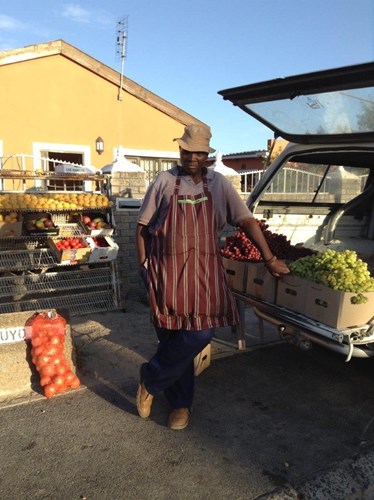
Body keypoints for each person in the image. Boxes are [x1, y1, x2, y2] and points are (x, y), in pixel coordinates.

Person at [135, 124, 290, 430]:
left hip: (203, 272)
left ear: (207, 154)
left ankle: (150, 379)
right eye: (186, 150)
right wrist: (143, 265)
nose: (191, 157)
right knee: (171, 337)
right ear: (179, 150)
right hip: (165, 270)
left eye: (198, 152)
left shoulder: (219, 184)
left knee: (198, 335)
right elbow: (142, 227)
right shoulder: (164, 182)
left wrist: (269, 258)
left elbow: (245, 220)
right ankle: (180, 405)